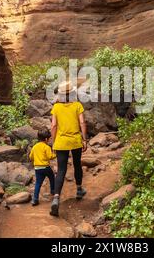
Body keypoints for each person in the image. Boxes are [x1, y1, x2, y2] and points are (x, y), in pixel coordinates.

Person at [50, 80, 88, 217]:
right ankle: (79, 190)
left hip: (61, 142)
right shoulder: (77, 105)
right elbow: (82, 122)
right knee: (77, 164)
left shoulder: (56, 108)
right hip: (75, 141)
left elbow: (53, 126)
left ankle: (56, 198)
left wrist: (53, 143)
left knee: (61, 170)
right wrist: (85, 139)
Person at [29, 129, 56, 206]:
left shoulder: (34, 147)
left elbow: (31, 157)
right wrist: (55, 154)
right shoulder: (46, 147)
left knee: (38, 183)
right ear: (46, 139)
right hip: (46, 168)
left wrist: (36, 159)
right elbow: (50, 156)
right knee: (52, 177)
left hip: (37, 169)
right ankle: (53, 191)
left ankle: (35, 199)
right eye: (49, 139)